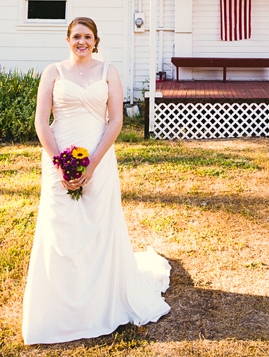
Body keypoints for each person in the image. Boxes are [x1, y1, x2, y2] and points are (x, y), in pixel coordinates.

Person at [22, 17, 170, 344]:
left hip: (99, 157)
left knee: (97, 227)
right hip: (58, 155)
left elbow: (115, 121)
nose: (82, 42)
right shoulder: (53, 72)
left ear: (95, 41)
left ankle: (100, 303)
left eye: (87, 37)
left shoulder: (109, 72)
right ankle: (59, 308)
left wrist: (92, 164)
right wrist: (60, 163)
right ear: (67, 39)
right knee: (61, 227)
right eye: (76, 36)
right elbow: (41, 122)